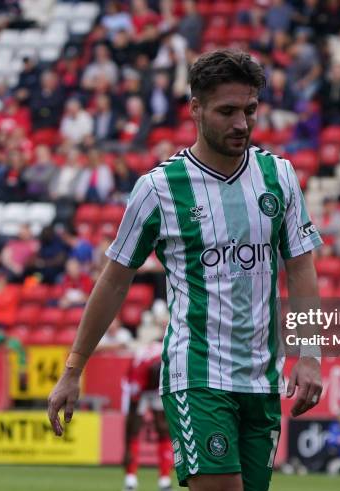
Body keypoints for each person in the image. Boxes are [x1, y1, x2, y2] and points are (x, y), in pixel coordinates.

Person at [48, 49, 324, 491]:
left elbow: (302, 268)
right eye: (227, 111)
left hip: (263, 380)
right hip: (197, 374)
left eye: (250, 110)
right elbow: (115, 281)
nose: (242, 124)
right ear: (195, 109)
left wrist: (310, 355)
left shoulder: (280, 176)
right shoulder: (158, 189)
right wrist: (73, 368)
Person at [120, 338, 173, 491]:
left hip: (159, 385)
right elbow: (134, 401)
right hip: (137, 388)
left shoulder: (166, 360)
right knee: (133, 428)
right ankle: (130, 479)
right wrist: (126, 447)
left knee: (163, 428)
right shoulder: (140, 372)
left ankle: (164, 480)